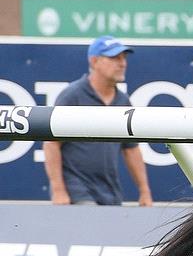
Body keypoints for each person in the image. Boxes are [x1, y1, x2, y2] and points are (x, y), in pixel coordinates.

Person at [43, 35, 153, 206]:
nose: (122, 63)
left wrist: (145, 191)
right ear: (94, 61)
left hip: (110, 193)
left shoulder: (123, 101)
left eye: (124, 58)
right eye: (114, 58)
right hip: (76, 191)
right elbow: (51, 144)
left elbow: (131, 149)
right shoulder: (72, 96)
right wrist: (58, 190)